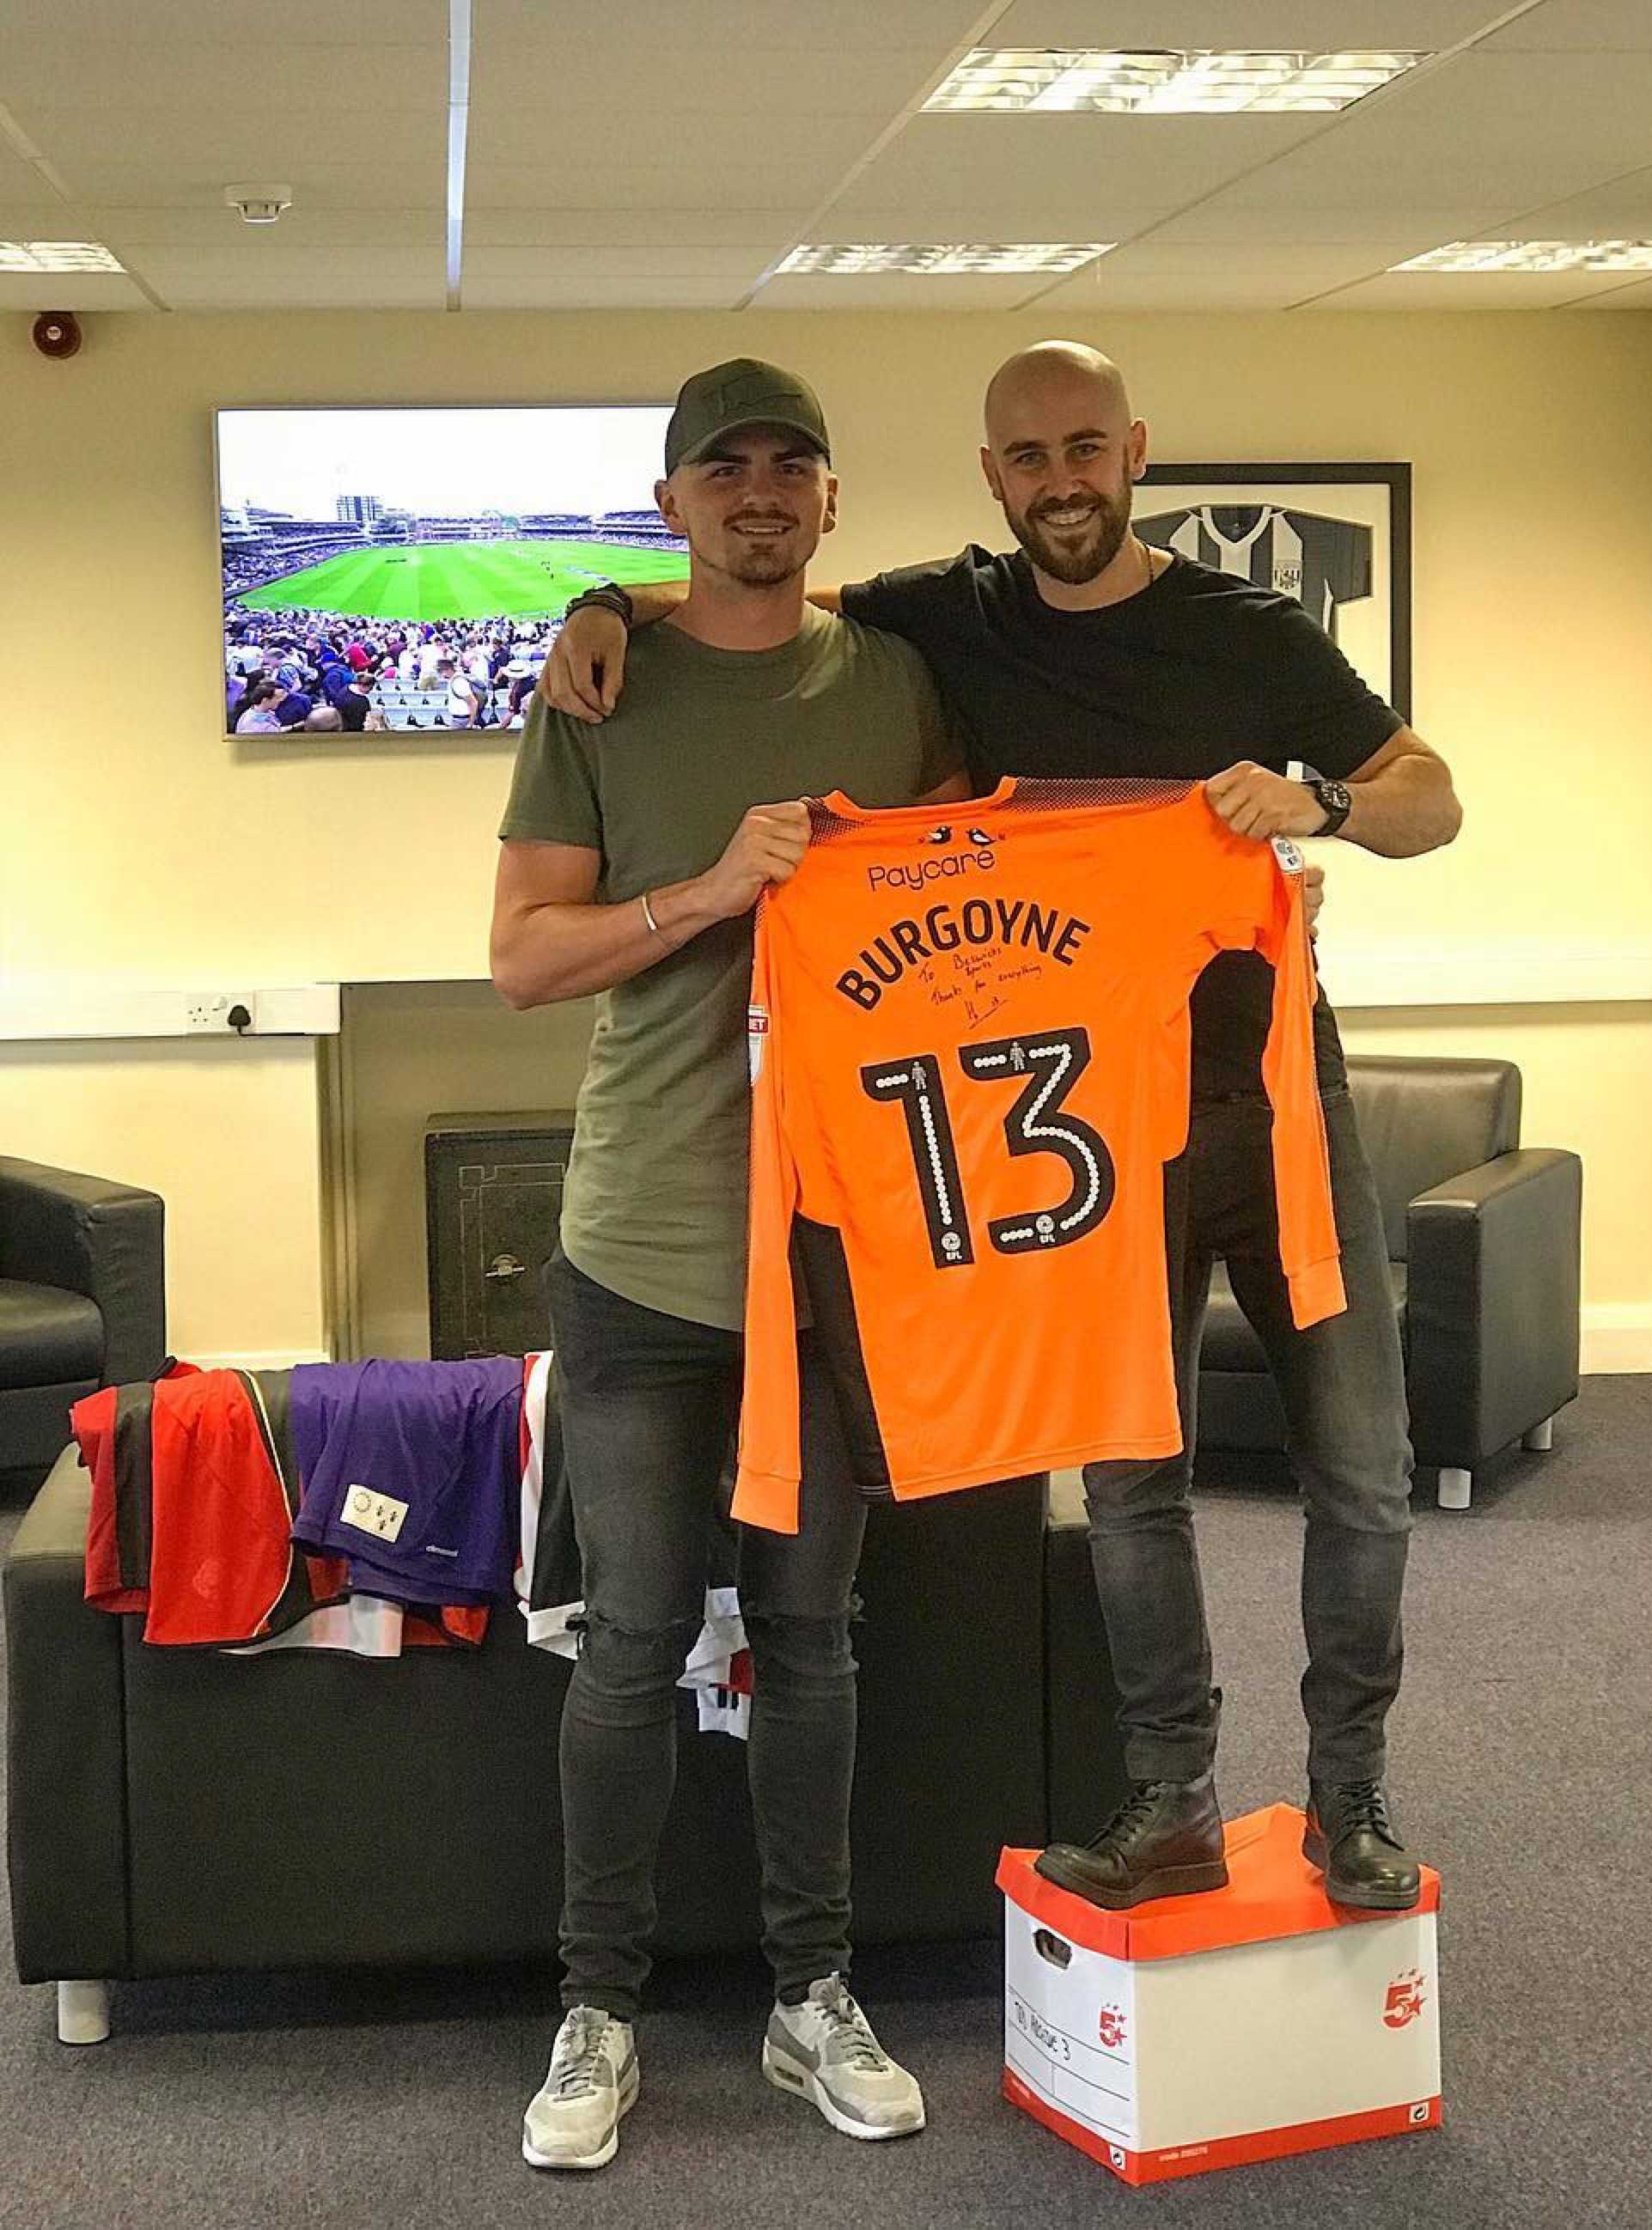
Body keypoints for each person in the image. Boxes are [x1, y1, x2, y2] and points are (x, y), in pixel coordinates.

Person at [540, 340, 1463, 1916]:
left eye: (1085, 449)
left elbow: (1429, 798)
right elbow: (766, 589)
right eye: (1029, 458)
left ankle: (1353, 1796)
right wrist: (604, 602)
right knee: (1131, 1480)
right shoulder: (946, 617)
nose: (1061, 482)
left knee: (1363, 1467)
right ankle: (1171, 1798)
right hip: (1095, 1129)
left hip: (1273, 1105)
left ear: (1135, 451)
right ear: (993, 478)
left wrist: (1318, 804)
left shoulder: (1246, 628)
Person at [491, 358, 966, 2174]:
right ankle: (596, 2009)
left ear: (831, 499)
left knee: (811, 1637)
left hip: (837, 1255)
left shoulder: (897, 679)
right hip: (643, 1248)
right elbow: (523, 958)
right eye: (725, 468)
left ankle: (811, 1993)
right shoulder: (597, 687)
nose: (759, 492)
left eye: (791, 465)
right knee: (626, 1636)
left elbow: (974, 902)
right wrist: (713, 887)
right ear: (673, 500)